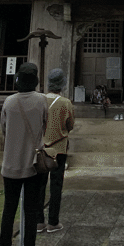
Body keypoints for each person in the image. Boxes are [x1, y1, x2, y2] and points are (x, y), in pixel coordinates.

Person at [0, 62, 48, 246]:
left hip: (10, 164)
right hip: (33, 165)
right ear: (35, 80)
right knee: (30, 211)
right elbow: (47, 126)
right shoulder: (41, 101)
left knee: (8, 211)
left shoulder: (8, 102)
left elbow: (4, 129)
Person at [37, 67, 75, 233]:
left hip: (42, 148)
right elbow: (70, 125)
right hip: (59, 148)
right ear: (62, 84)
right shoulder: (65, 103)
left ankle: (38, 221)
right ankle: (53, 221)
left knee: (39, 184)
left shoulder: (39, 100)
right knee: (56, 185)